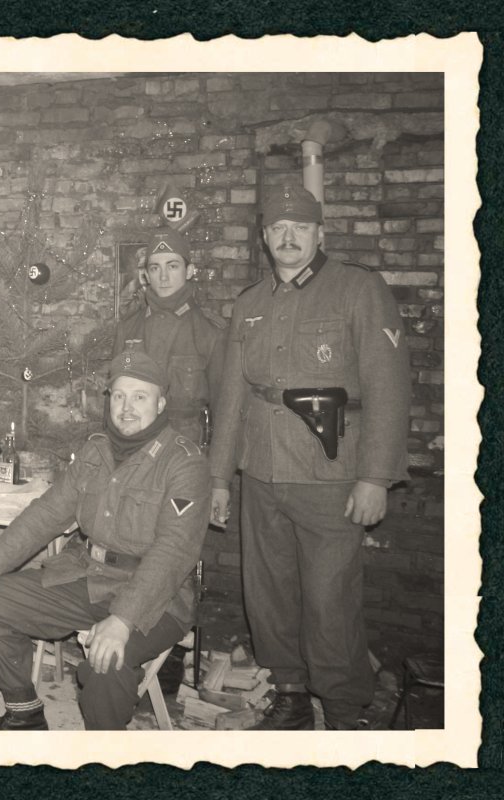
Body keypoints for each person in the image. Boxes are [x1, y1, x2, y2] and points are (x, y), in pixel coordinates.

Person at [209, 184, 411, 730]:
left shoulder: (357, 288)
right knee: (268, 595)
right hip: (261, 472)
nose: (288, 238)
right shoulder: (251, 304)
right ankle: (291, 696)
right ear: (265, 236)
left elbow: (388, 387)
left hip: (330, 473)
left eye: (300, 228)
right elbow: (231, 397)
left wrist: (375, 477)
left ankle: (343, 711)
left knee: (330, 599)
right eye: (278, 228)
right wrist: (220, 477)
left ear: (320, 233)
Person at [0, 350, 210, 730]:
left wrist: (122, 619)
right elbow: (47, 513)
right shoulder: (96, 450)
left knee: (106, 663)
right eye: (119, 396)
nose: (127, 407)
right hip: (88, 577)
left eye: (140, 397)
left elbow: (173, 552)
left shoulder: (184, 463)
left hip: (157, 597)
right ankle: (24, 711)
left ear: (161, 403)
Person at [116, 228, 225, 447]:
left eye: (172, 266)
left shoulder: (210, 333)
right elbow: (113, 403)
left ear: (189, 271)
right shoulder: (128, 329)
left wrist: (216, 467)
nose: (163, 277)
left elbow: (224, 411)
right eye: (155, 268)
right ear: (146, 275)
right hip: (134, 447)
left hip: (184, 449)